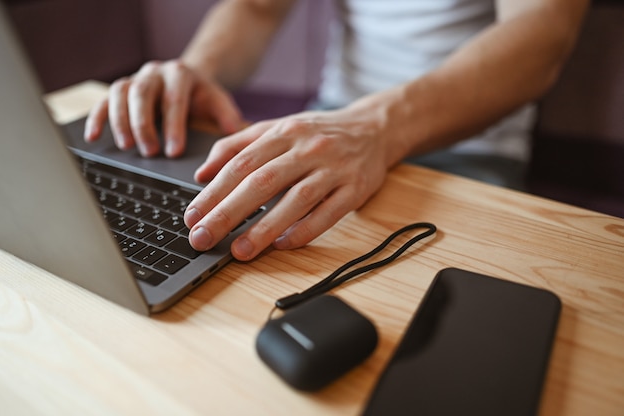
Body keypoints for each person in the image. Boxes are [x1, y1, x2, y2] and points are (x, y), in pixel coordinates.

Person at [84, 0, 588, 261]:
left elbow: (543, 33)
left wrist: (374, 127)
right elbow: (258, 7)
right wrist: (197, 71)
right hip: (328, 127)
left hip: (468, 150)